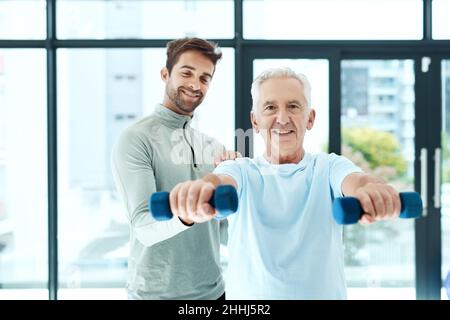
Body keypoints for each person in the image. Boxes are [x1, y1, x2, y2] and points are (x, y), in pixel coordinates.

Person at [168, 67, 402, 299]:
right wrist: (201, 191)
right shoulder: (241, 169)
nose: (282, 118)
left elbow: (358, 181)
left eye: (293, 106)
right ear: (255, 121)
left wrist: (373, 190)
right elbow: (218, 181)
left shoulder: (328, 167)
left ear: (309, 118)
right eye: (270, 107)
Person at [111, 37, 239, 300]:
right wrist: (187, 214)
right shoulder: (136, 139)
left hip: (213, 293)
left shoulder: (214, 147)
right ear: (165, 74)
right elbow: (144, 227)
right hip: (154, 295)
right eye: (187, 73)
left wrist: (236, 183)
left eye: (205, 78)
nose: (195, 84)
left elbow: (223, 230)